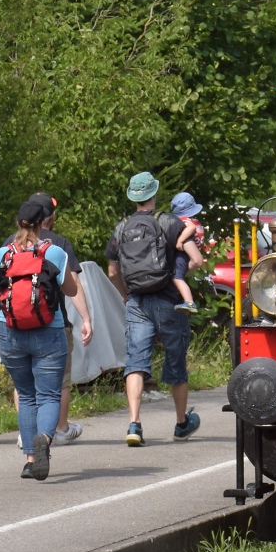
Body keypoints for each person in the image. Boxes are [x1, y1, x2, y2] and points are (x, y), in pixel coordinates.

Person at [107, 171, 205, 447]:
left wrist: (127, 296)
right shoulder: (169, 222)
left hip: (137, 301)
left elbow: (113, 271)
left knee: (136, 363)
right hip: (169, 301)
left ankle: (134, 424)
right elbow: (196, 258)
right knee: (176, 361)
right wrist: (181, 274)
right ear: (154, 194)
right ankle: (181, 423)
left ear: (133, 197)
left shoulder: (122, 227)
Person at [0, 197, 82, 480]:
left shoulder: (3, 254)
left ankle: (30, 459)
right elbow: (70, 289)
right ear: (45, 222)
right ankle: (45, 437)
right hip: (49, 331)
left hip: (12, 333)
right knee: (49, 394)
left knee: (27, 395)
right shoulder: (53, 252)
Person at [3, 193, 94, 446]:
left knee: (24, 387)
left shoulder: (7, 247)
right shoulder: (57, 246)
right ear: (48, 218)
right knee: (57, 384)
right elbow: (73, 286)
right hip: (52, 324)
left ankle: (26, 434)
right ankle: (59, 430)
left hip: (13, 328)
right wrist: (86, 319)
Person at [167, 191, 207, 315]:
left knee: (176, 277)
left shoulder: (186, 221)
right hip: (189, 255)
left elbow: (191, 229)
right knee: (180, 276)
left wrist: (179, 240)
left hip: (183, 255)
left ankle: (189, 302)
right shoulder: (197, 222)